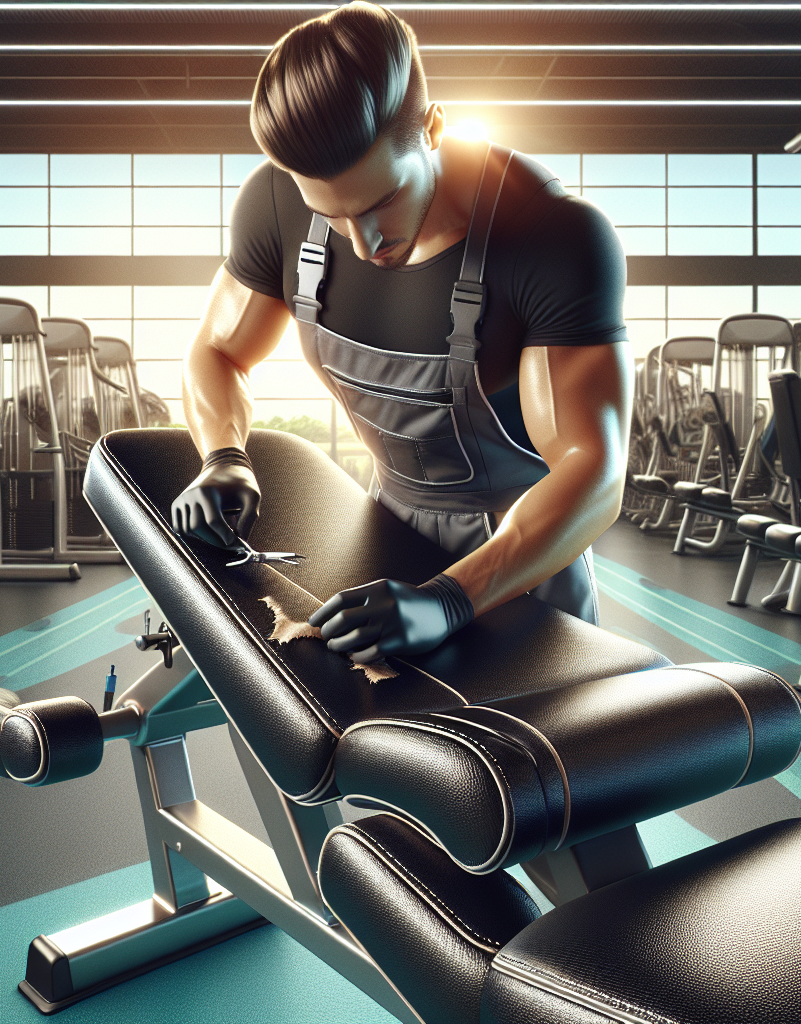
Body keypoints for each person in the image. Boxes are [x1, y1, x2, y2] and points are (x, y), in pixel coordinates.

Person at [172, 1, 633, 666]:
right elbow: (217, 350)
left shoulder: (550, 235)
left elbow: (595, 471)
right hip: (385, 528)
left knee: (528, 759)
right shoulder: (274, 203)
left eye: (380, 202)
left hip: (524, 553)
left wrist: (451, 597)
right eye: (331, 216)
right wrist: (223, 456)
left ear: (435, 127)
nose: (364, 243)